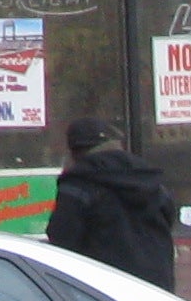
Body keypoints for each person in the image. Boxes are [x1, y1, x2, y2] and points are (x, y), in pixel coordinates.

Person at [42, 119, 179, 291]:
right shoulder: (148, 178)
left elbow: (61, 236)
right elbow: (169, 218)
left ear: (76, 151)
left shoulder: (78, 183)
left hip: (106, 293)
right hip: (157, 289)